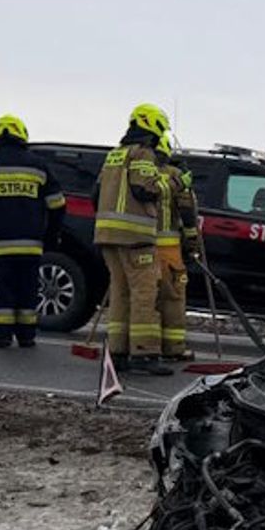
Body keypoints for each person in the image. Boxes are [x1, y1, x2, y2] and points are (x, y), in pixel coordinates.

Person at [0, 114, 65, 349]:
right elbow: (58, 205)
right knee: (28, 289)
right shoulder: (39, 165)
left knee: (2, 290)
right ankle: (26, 336)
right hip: (31, 244)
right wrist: (51, 235)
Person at [93, 104, 172, 375]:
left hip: (107, 236)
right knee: (144, 294)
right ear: (152, 125)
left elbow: (96, 193)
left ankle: (118, 352)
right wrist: (175, 184)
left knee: (120, 294)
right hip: (135, 237)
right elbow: (145, 189)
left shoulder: (114, 155)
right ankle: (145, 354)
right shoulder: (143, 153)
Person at [153, 133, 200, 360]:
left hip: (137, 247)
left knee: (145, 298)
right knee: (172, 297)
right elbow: (187, 214)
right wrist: (193, 244)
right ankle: (173, 348)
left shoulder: (139, 175)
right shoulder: (176, 177)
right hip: (168, 249)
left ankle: (143, 348)